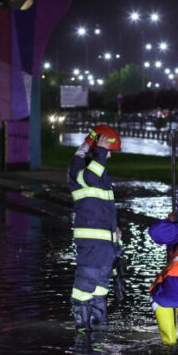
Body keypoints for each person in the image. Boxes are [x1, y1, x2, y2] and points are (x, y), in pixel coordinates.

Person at [68, 124, 122, 331]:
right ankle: (82, 334)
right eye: (108, 152)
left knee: (100, 290)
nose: (108, 157)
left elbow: (103, 207)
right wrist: (99, 150)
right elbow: (90, 178)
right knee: (85, 288)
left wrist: (114, 229)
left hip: (104, 244)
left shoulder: (97, 172)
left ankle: (98, 331)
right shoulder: (79, 170)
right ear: (96, 150)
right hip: (92, 244)